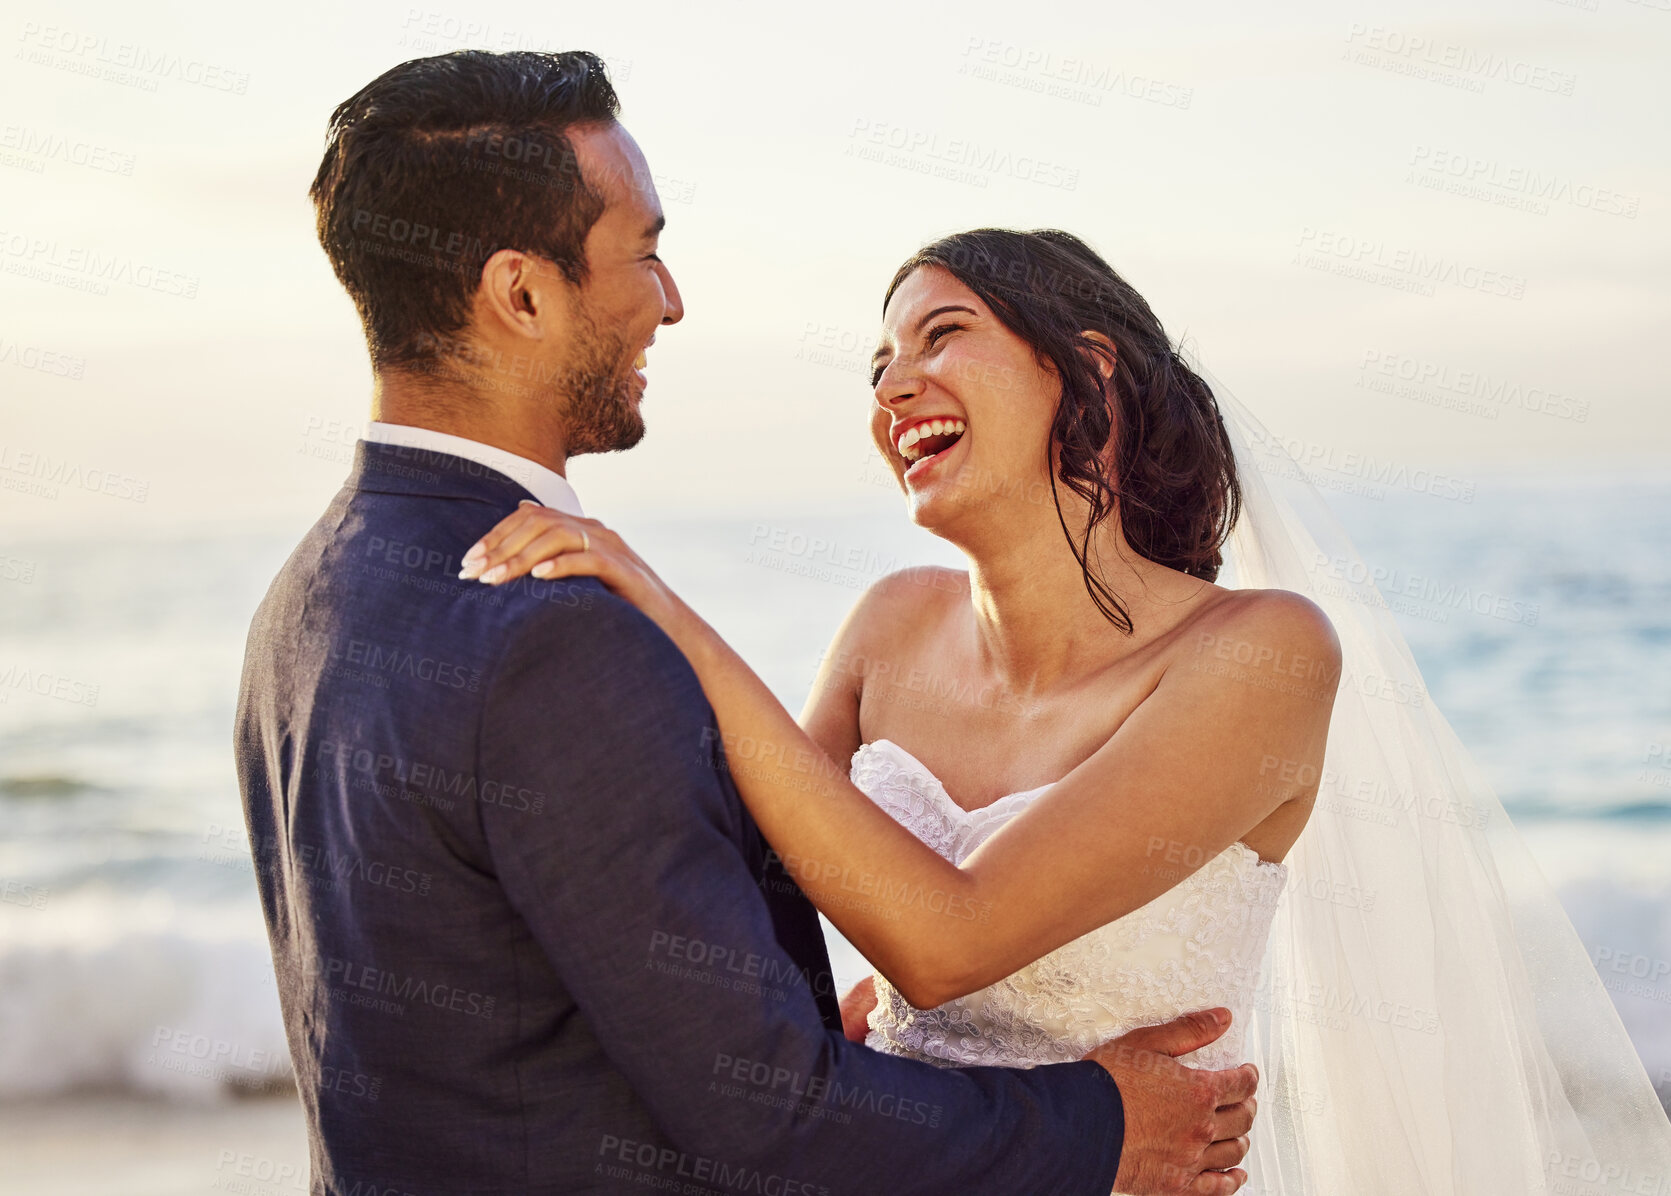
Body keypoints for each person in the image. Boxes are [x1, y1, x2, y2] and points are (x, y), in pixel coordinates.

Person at [234, 50, 1257, 1196]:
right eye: (646, 253)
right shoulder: (556, 633)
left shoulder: (305, 599)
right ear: (522, 295)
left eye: (939, 339)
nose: (669, 300)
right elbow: (774, 1117)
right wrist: (1099, 1127)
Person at [467, 226, 1671, 1192]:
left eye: (942, 335)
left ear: (1084, 366)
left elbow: (946, 941)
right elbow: (731, 885)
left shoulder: (1261, 652)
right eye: (879, 364)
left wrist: (669, 611)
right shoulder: (889, 625)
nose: (895, 385)